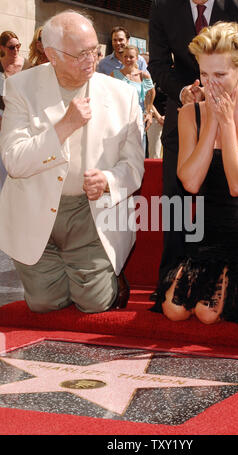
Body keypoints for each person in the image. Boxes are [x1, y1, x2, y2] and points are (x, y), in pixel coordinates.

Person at [0, 11, 144, 314]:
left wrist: (108, 180)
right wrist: (64, 126)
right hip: (35, 210)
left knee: (94, 303)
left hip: (91, 213)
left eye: (94, 50)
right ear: (51, 54)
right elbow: (14, 160)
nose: (90, 59)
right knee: (44, 303)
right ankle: (71, 275)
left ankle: (109, 282)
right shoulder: (20, 88)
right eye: (80, 54)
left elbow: (134, 168)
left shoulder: (124, 96)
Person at [151, 22, 238, 323]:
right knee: (174, 310)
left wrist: (226, 123)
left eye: (221, 75)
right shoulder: (190, 115)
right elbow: (191, 182)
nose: (212, 84)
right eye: (205, 75)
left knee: (207, 314)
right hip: (208, 232)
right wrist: (210, 121)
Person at [148, 0, 238, 295]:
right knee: (176, 201)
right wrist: (184, 92)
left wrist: (225, 110)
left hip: (234, 116)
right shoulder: (163, 7)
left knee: (231, 194)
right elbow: (158, 65)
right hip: (183, 113)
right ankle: (170, 282)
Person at [110, 45, 155, 152]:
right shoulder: (114, 75)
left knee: (137, 154)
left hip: (137, 120)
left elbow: (150, 93)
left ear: (137, 58)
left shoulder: (143, 76)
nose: (128, 59)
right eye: (125, 56)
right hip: (119, 120)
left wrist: (149, 112)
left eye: (131, 57)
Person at [0, 31, 30, 187]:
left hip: (21, 119)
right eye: (11, 47)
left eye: (18, 46)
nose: (16, 50)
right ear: (2, 48)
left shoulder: (27, 66)